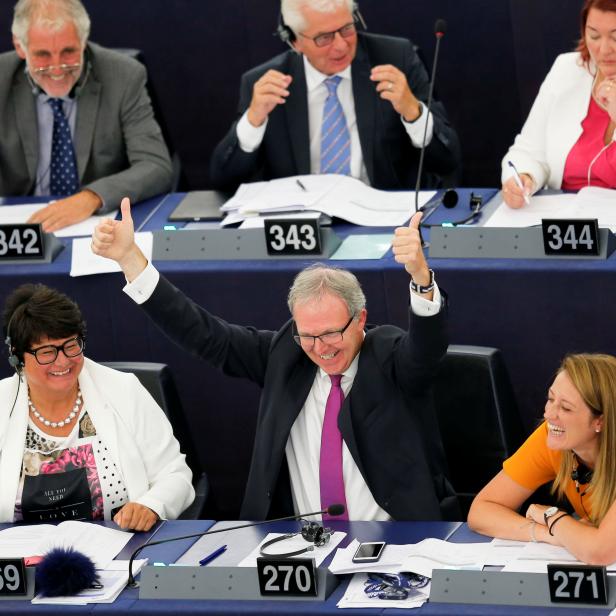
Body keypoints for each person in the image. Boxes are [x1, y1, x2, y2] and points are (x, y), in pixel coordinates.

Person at [91, 197, 456, 522]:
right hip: (301, 545)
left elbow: (425, 351)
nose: (321, 347)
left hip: (398, 539)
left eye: (331, 332)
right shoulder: (287, 355)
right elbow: (203, 334)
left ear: (360, 319)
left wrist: (421, 280)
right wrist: (131, 260)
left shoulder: (388, 356)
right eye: (308, 335)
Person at [210, 0, 460, 192]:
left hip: (383, 219)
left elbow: (448, 159)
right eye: (324, 37)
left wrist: (412, 112)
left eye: (347, 29)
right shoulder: (265, 83)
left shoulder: (396, 58)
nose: (341, 45)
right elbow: (224, 180)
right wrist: (253, 121)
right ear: (294, 41)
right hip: (302, 225)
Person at [0, 283, 194, 531]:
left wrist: (152, 505)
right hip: (21, 560)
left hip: (120, 552)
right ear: (17, 357)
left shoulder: (124, 390)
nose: (63, 361)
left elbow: (175, 474)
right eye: (47, 352)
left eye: (70, 345)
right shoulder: (2, 403)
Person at [0, 0, 173, 232]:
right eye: (42, 54)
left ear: (83, 40)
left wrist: (91, 197)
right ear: (20, 47)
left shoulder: (124, 75)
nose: (57, 68)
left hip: (96, 225)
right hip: (20, 223)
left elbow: (156, 165)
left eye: (68, 51)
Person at [468, 354, 616, 564]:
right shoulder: (552, 436)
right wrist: (547, 533)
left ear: (599, 421)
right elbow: (482, 511)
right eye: (550, 399)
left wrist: (551, 516)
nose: (549, 414)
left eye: (565, 408)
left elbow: (599, 552)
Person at [502, 0, 616, 208]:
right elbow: (528, 151)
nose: (603, 49)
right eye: (594, 35)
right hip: (565, 223)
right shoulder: (566, 69)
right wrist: (524, 177)